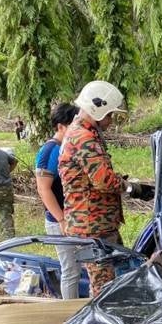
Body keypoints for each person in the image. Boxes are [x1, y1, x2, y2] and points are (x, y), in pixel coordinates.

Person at [59, 80, 128, 297]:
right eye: (108, 115)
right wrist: (129, 188)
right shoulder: (83, 137)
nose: (109, 121)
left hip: (98, 224)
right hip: (91, 226)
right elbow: (103, 181)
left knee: (113, 277)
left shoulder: (85, 133)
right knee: (103, 287)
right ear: (96, 109)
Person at [36, 103, 82, 299]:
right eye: (74, 125)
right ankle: (69, 312)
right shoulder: (50, 151)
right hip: (59, 221)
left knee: (81, 266)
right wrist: (61, 219)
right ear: (61, 126)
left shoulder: (68, 147)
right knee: (71, 270)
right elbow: (43, 189)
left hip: (74, 218)